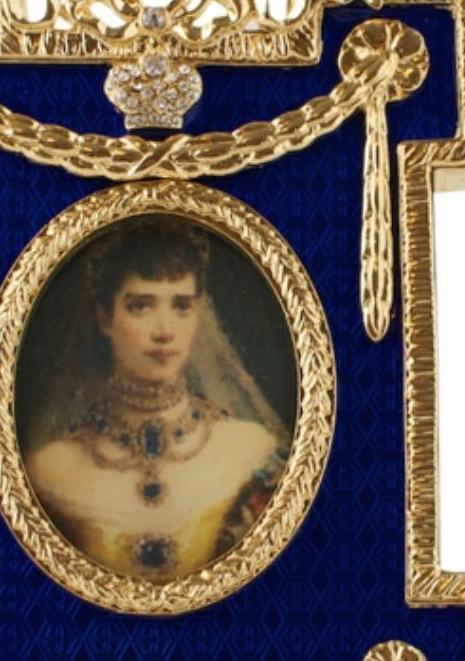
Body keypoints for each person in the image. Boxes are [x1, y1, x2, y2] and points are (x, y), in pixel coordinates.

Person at [23, 217, 291, 580]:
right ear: (105, 318)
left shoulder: (249, 449)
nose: (164, 331)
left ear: (198, 315)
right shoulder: (50, 470)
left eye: (181, 306)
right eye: (141, 306)